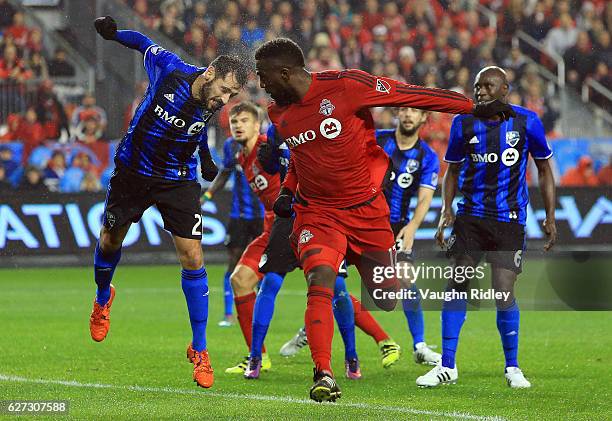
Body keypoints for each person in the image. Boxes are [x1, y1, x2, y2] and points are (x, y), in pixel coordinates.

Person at [254, 38, 515, 402]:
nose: (260, 84)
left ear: (284, 72)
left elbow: (410, 94)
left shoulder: (346, 85)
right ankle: (323, 373)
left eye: (262, 76)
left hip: (367, 211)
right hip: (318, 213)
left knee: (386, 297)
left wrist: (471, 108)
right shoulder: (277, 114)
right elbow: (302, 154)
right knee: (321, 277)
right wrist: (287, 190)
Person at [89, 16, 247, 389]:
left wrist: (206, 156)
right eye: (223, 90)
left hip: (177, 179)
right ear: (209, 73)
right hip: (133, 172)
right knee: (110, 241)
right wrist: (113, 35)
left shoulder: (212, 99)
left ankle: (201, 348)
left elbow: (196, 127)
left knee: (193, 257)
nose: (224, 101)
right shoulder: (171, 69)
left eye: (231, 97)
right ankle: (102, 297)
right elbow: (142, 41)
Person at [418, 66, 557, 389]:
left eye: (487, 86)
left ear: (504, 89)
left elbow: (544, 169)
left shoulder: (527, 122)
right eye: (477, 85)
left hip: (509, 220)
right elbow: (451, 172)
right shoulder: (462, 122)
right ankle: (447, 365)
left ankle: (512, 367)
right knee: (458, 282)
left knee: (503, 290)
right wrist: (446, 212)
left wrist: (549, 216)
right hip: (470, 218)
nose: (479, 91)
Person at [376, 107, 441, 365]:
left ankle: (420, 346)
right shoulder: (377, 139)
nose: (408, 115)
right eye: (404, 109)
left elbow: (425, 196)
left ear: (424, 118)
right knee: (332, 278)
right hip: (361, 222)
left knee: (405, 279)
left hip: (398, 226)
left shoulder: (427, 156)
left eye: (414, 111)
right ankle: (310, 327)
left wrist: (413, 225)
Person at [202, 130, 265, 328]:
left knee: (264, 264)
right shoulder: (231, 146)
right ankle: (229, 314)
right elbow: (225, 173)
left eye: (244, 120)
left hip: (264, 215)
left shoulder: (266, 145)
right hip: (239, 216)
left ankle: (261, 312)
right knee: (233, 262)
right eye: (235, 121)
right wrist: (207, 196)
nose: (239, 125)